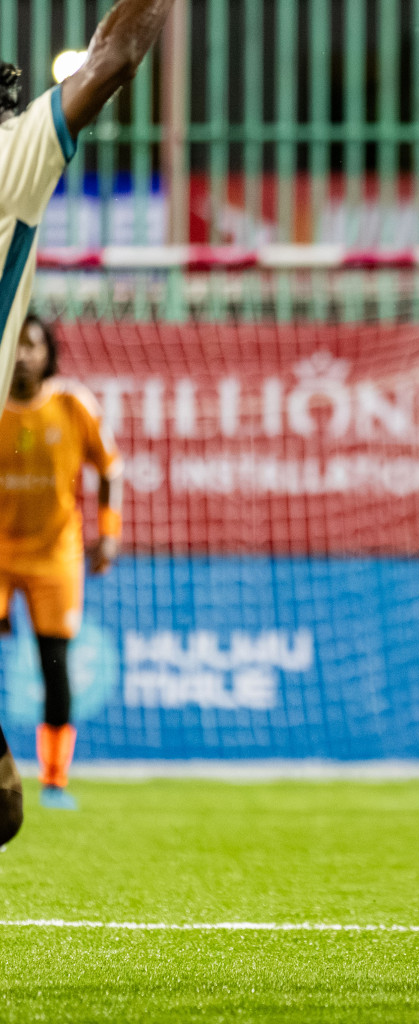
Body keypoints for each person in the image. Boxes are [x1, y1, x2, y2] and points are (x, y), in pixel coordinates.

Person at [0, 0, 175, 834]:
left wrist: (105, 524)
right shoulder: (8, 161)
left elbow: (105, 466)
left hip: (49, 549)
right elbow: (113, 58)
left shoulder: (70, 406)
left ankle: (49, 769)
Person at [0, 316, 121, 810]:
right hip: (0, 556)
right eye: (17, 344)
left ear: (49, 352)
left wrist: (109, 534)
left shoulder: (73, 405)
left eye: (35, 345)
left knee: (55, 666)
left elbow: (109, 469)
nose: (26, 354)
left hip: (56, 556)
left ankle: (54, 781)